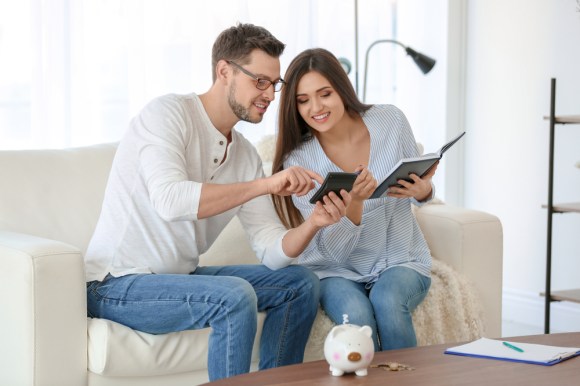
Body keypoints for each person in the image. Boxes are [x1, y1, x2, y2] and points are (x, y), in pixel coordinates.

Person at [84, 26, 350, 382]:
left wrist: (314, 223)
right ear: (224, 71)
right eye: (260, 81)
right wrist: (264, 185)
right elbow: (169, 199)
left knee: (299, 283)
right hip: (116, 283)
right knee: (234, 296)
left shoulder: (243, 155)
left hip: (180, 278)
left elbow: (271, 251)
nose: (269, 94)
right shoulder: (167, 115)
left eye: (275, 83)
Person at [272, 47, 435, 352]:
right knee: (357, 316)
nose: (316, 107)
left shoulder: (390, 120)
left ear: (341, 89)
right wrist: (356, 203)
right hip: (334, 270)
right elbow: (332, 253)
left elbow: (420, 187)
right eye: (303, 100)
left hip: (399, 258)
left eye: (325, 94)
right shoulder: (299, 162)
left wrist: (423, 191)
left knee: (388, 299)